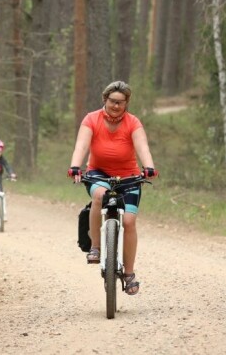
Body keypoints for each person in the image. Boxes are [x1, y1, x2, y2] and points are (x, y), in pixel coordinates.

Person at [68, 80, 158, 296]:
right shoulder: (91, 119)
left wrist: (149, 166)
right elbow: (81, 144)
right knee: (100, 196)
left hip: (129, 177)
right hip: (98, 173)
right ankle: (96, 248)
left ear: (127, 103)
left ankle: (129, 274)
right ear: (105, 100)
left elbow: (142, 145)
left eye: (121, 102)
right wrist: (75, 165)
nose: (116, 106)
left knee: (129, 220)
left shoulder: (133, 122)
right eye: (112, 101)